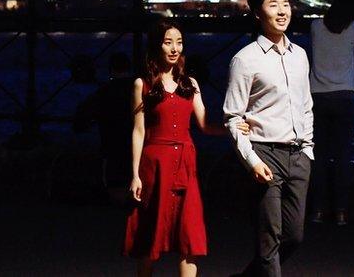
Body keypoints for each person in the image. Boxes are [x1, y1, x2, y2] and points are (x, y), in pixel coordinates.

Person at [124, 20, 246, 277]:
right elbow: (138, 130)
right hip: (155, 164)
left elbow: (204, 125)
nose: (174, 48)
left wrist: (233, 129)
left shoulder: (190, 83)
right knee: (150, 234)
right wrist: (135, 174)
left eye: (178, 42)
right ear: (157, 45)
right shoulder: (142, 84)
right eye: (168, 42)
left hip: (185, 165)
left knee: (188, 234)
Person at [223, 0, 314, 277]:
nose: (282, 10)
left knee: (295, 236)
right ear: (257, 13)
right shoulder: (245, 59)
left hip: (298, 155)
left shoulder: (299, 54)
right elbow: (232, 116)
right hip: (265, 152)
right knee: (269, 237)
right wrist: (252, 160)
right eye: (273, 4)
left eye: (285, 3)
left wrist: (308, 149)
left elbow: (306, 104)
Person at [308, 0, 354, 226]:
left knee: (319, 156)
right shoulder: (352, 27)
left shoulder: (315, 26)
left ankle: (317, 210)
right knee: (343, 156)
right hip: (344, 97)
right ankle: (341, 211)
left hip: (318, 97)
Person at [74, 52, 134, 205]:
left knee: (114, 179)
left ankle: (117, 197)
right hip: (136, 144)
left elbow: (82, 119)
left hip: (111, 143)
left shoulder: (104, 92)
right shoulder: (139, 90)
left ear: (110, 69)